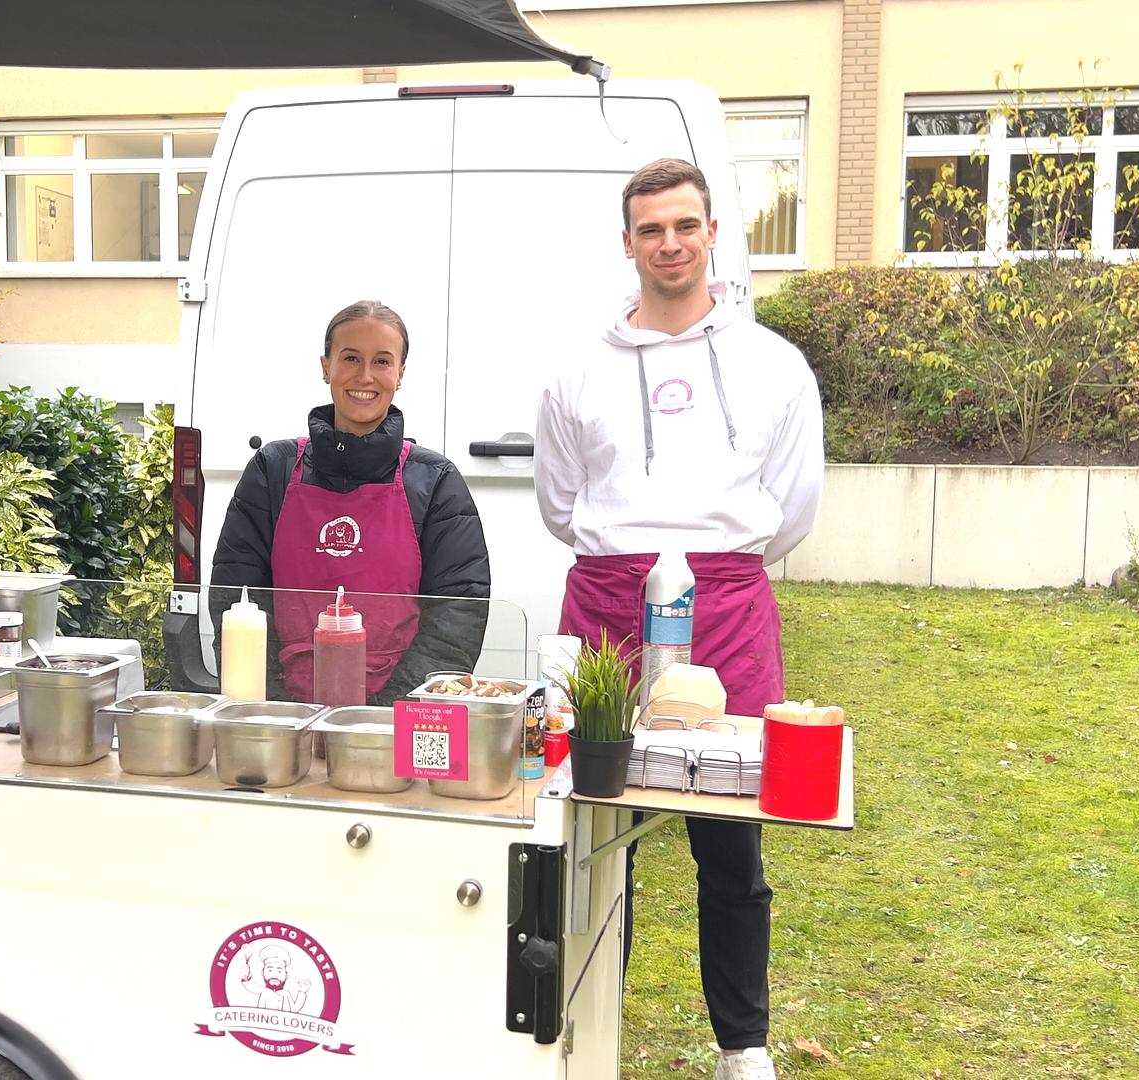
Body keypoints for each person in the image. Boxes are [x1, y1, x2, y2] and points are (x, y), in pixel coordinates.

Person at [534, 158, 823, 1080]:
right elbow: (560, 503)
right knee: (587, 834)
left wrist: (711, 566)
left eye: (685, 226)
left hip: (728, 605)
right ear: (627, 243)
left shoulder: (774, 366)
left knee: (729, 838)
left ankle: (743, 1045)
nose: (670, 244)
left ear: (712, 234)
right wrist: (631, 558)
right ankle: (579, 1029)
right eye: (651, 229)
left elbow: (793, 507)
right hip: (606, 608)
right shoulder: (578, 369)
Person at [211, 300, 490, 704]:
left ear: (400, 374)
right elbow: (235, 592)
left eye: (382, 361)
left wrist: (382, 712)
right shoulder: (272, 469)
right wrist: (277, 708)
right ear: (326, 366)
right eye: (350, 358)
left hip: (391, 720)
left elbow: (457, 615)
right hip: (283, 718)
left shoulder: (435, 481)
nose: (365, 376)